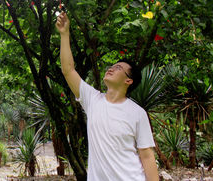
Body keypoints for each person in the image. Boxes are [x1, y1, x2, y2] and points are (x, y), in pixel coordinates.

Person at [56, 12, 159, 181]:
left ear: (128, 80)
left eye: (118, 68)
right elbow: (68, 70)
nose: (111, 68)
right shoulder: (93, 100)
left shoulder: (138, 113)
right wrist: (64, 34)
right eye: (112, 65)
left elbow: (146, 155)